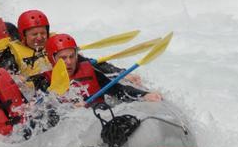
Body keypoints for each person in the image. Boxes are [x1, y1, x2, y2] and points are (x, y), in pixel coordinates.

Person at [33, 34, 162, 103]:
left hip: (99, 115)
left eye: (72, 56)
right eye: (63, 58)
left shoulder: (89, 70)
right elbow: (46, 111)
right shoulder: (43, 80)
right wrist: (70, 109)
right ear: (52, 59)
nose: (69, 62)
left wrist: (144, 95)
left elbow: (117, 90)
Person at [8, 10, 52, 78]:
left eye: (43, 33)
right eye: (34, 34)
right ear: (24, 36)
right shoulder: (11, 54)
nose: (39, 38)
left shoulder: (57, 42)